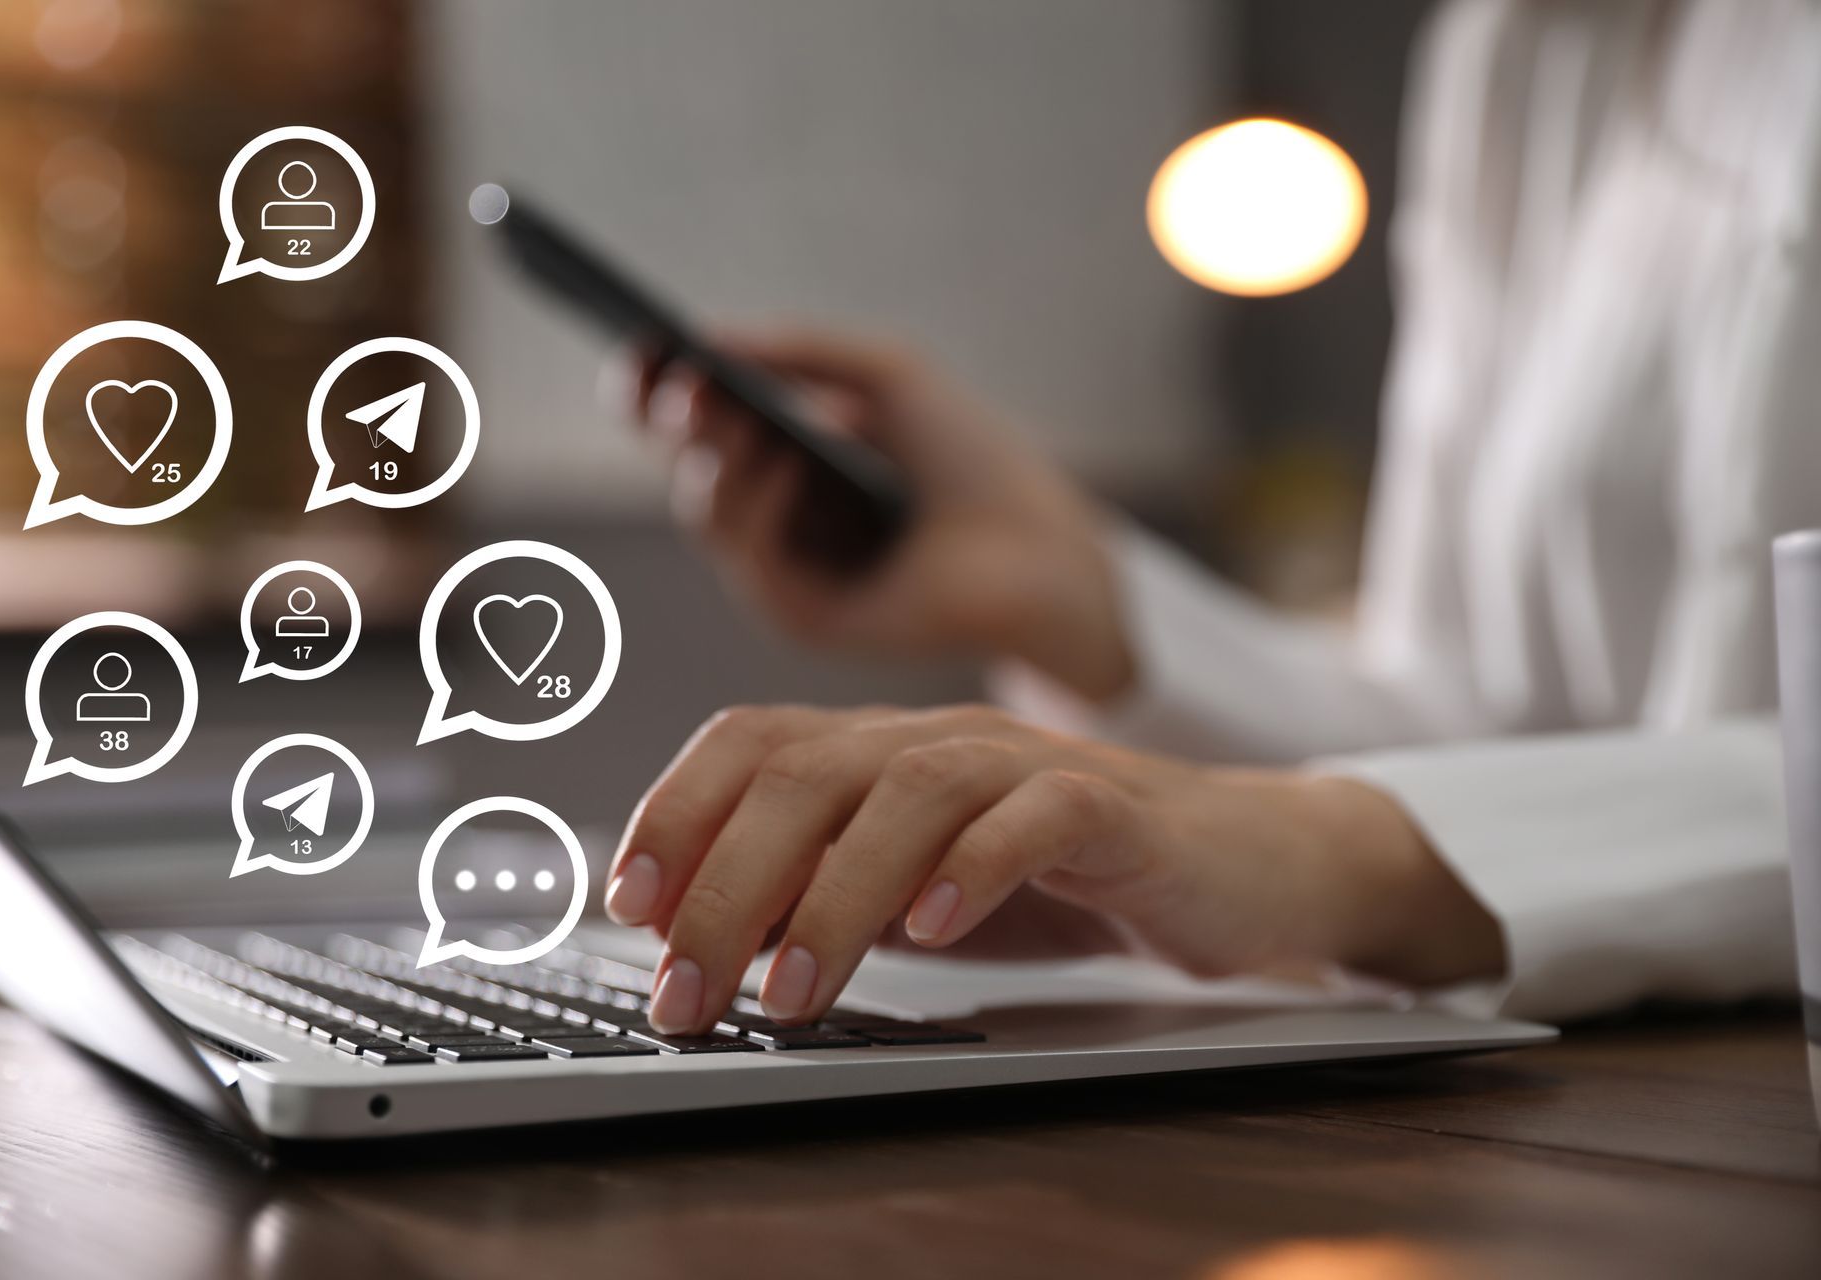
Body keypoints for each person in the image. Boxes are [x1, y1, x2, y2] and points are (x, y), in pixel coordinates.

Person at [602, 0, 1821, 1038]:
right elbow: (1474, 724)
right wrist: (1082, 603)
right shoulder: (1514, 51)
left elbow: (1408, 832)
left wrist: (1333, 852)